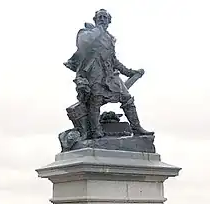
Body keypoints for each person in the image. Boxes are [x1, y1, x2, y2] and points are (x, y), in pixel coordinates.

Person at [64, 9, 154, 139]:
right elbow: (83, 42)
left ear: (109, 21)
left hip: (109, 75)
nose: (102, 19)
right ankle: (95, 132)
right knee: (95, 100)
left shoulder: (110, 38)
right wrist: (98, 30)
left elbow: (113, 60)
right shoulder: (86, 32)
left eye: (105, 17)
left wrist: (129, 72)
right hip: (93, 72)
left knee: (127, 98)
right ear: (95, 20)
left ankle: (137, 128)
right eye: (99, 17)